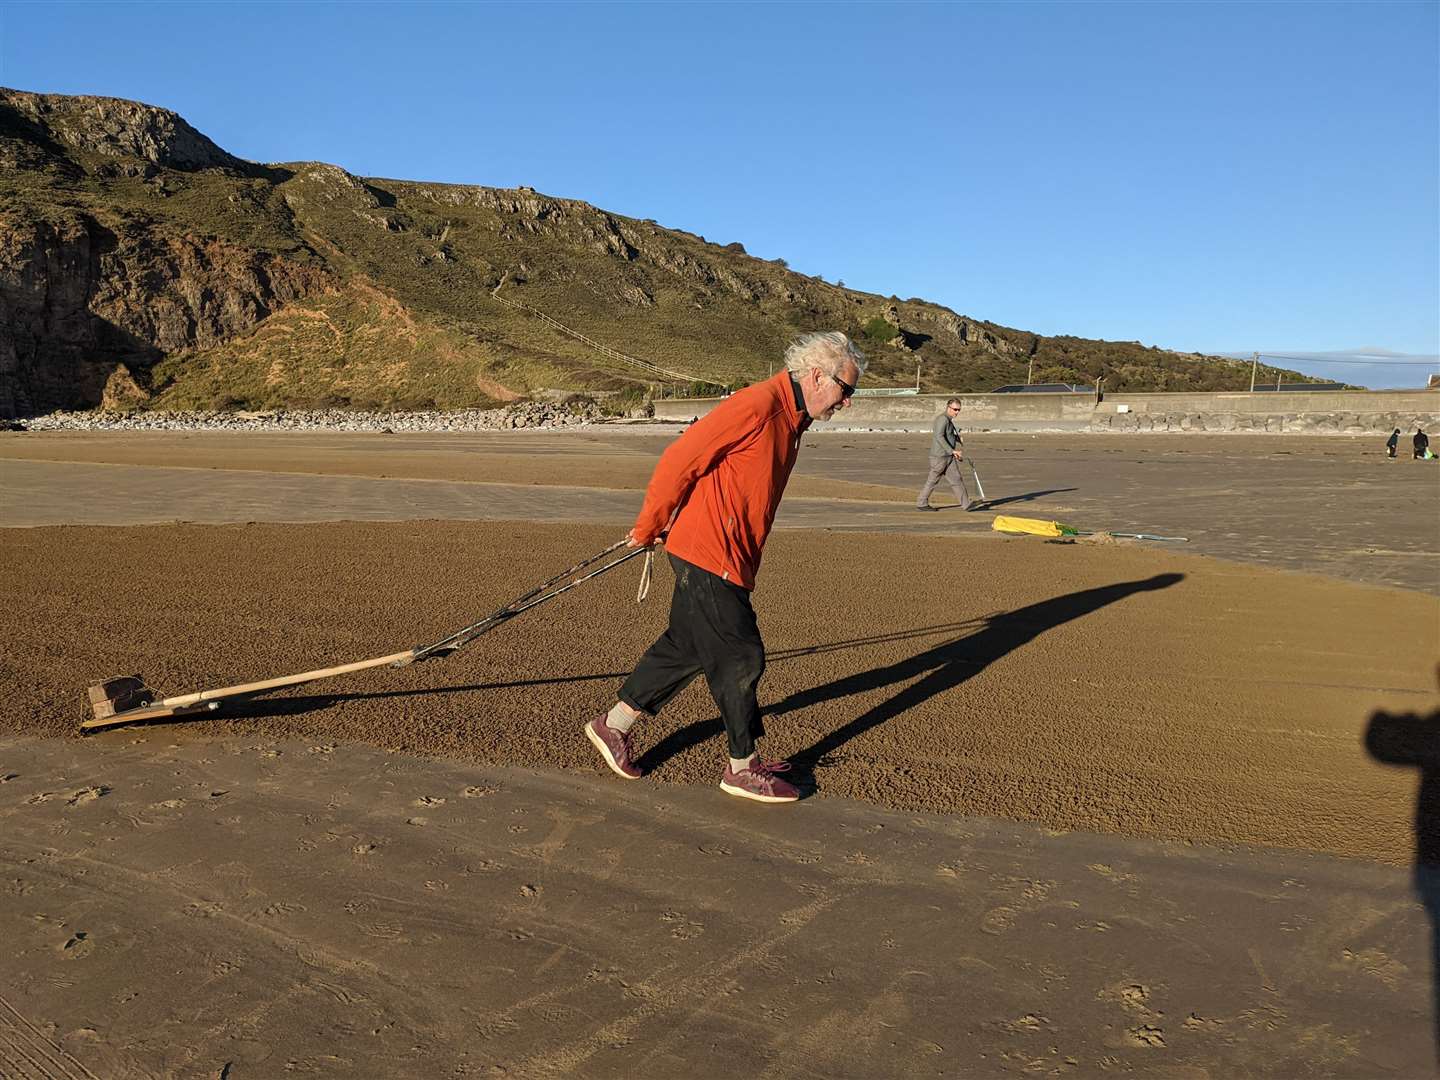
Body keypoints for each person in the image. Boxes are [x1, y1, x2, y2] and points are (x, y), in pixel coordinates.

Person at [585, 331, 866, 803]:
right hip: (709, 551)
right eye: (847, 389)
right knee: (741, 654)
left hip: (727, 552)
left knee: (687, 647)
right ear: (817, 376)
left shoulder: (793, 418)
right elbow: (681, 457)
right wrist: (649, 524)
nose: (847, 402)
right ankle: (743, 766)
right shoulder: (759, 405)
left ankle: (612, 726)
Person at [916, 397, 972, 512]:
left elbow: (947, 435)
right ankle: (921, 503)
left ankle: (966, 505)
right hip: (939, 457)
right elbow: (939, 436)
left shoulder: (948, 420)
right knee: (933, 480)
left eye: (959, 410)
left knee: (957, 479)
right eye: (955, 409)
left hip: (948, 457)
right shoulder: (942, 419)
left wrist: (957, 438)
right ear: (948, 407)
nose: (957, 412)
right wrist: (953, 451)